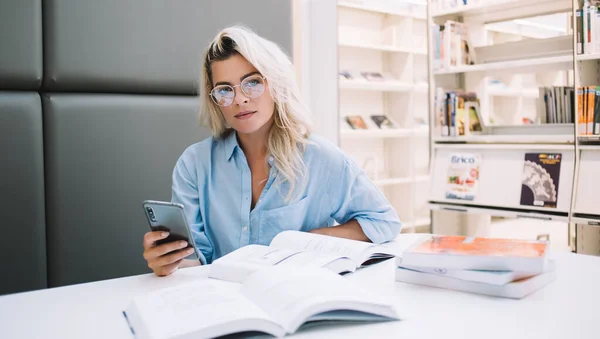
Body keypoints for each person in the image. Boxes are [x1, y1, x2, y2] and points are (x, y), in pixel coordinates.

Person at [143, 26, 402, 276]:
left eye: (252, 82)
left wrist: (307, 241)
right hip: (223, 301)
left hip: (295, 296)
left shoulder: (320, 157)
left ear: (276, 84)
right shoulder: (194, 165)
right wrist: (167, 264)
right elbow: (196, 263)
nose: (240, 99)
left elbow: (384, 222)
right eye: (224, 90)